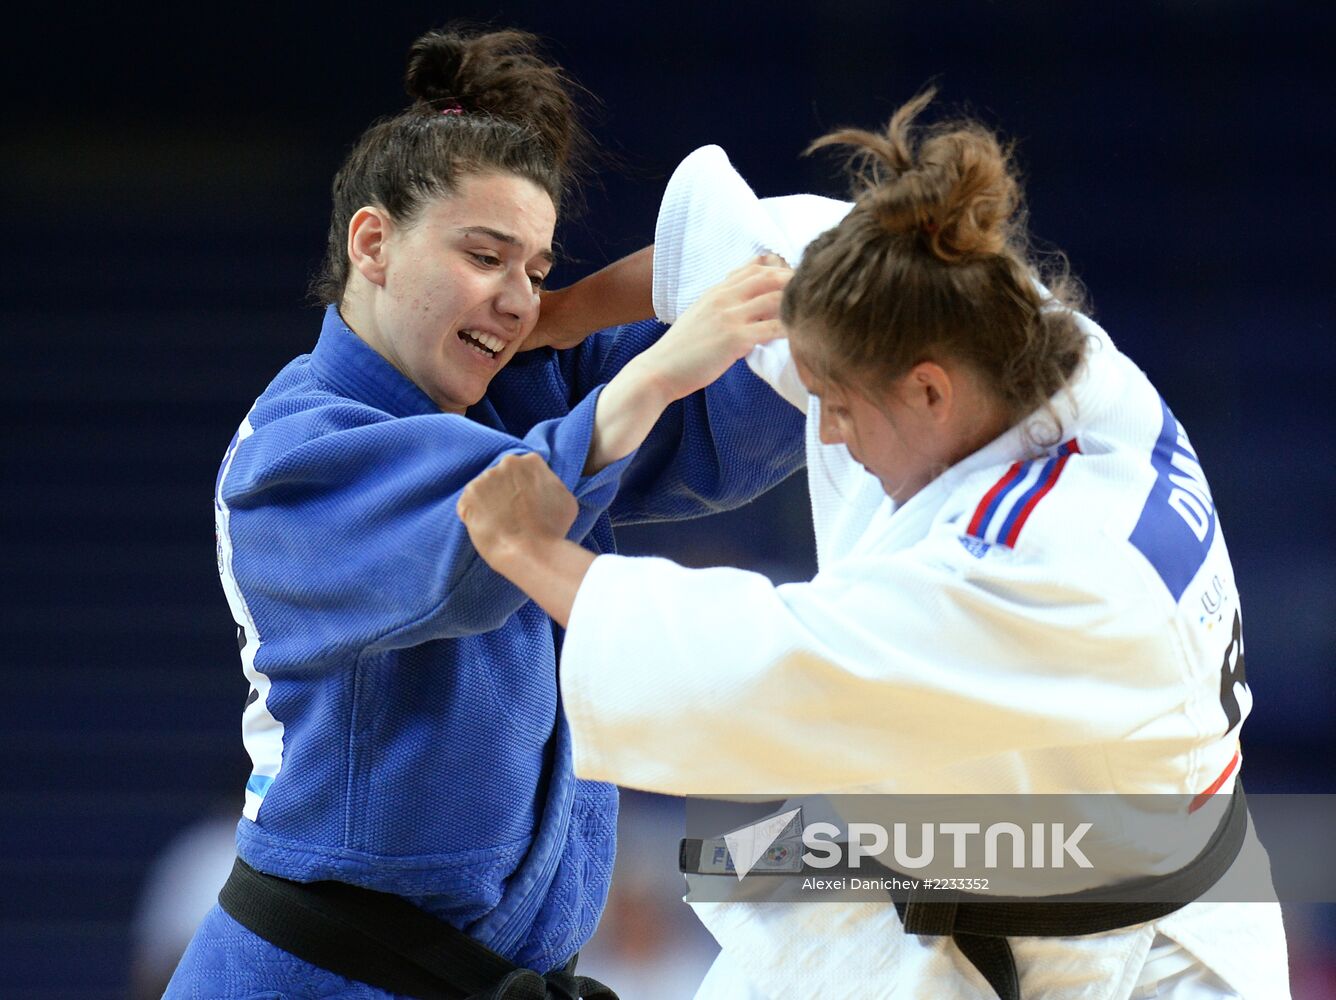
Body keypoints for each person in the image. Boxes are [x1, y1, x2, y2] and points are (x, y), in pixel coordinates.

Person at [457, 92, 1291, 998]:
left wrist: (531, 548)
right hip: (972, 821)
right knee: (740, 865)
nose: (832, 434)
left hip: (1108, 926)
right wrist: (566, 312)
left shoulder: (1045, 567)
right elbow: (753, 265)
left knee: (751, 870)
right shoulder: (999, 327)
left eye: (842, 407)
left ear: (928, 391)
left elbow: (772, 660)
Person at [167, 26, 805, 998]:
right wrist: (661, 367)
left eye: (536, 271)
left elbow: (752, 390)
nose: (514, 300)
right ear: (372, 243)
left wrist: (586, 310)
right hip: (316, 974)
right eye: (484, 255)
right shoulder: (290, 454)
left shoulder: (524, 392)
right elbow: (493, 532)